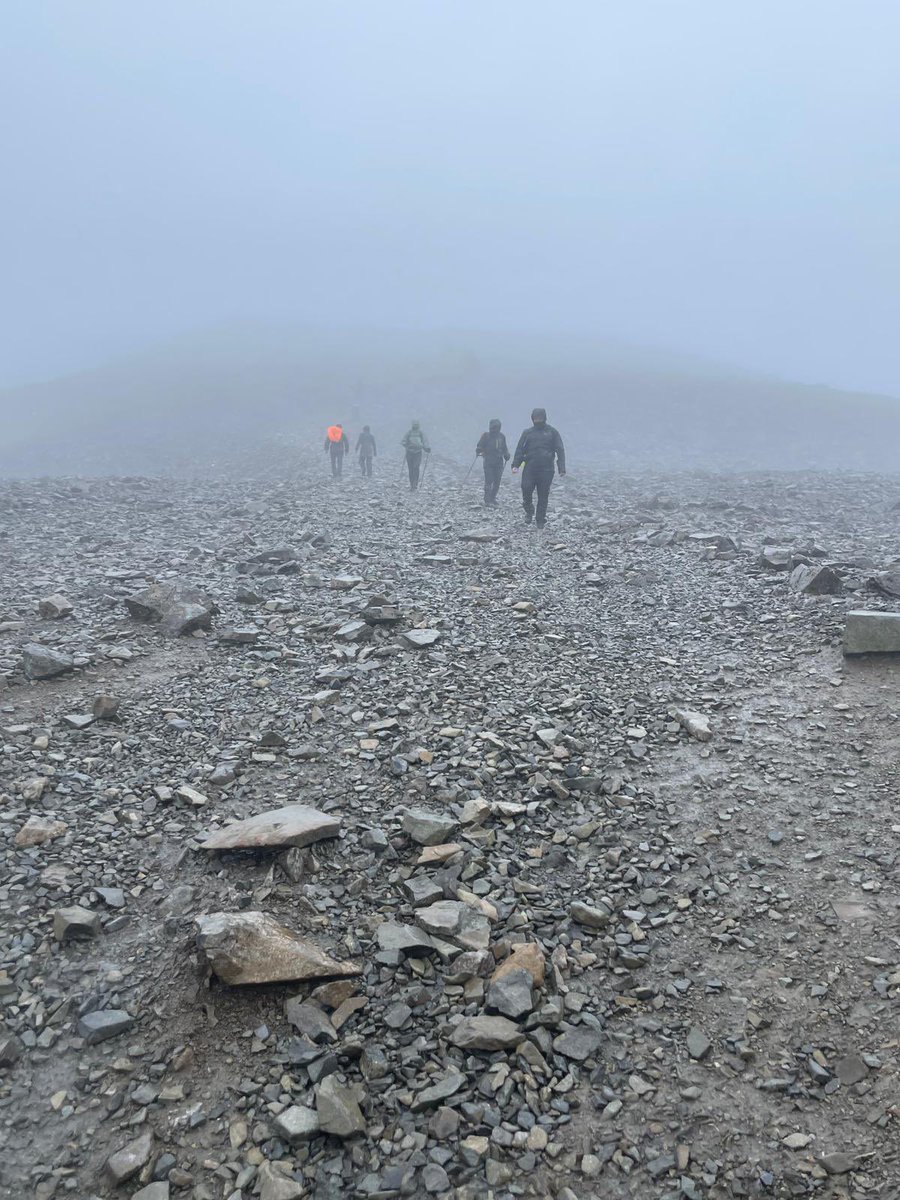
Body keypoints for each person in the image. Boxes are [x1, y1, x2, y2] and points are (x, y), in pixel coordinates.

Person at [511, 407, 565, 528]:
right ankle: (529, 511)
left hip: (546, 469)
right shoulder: (527, 433)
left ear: (544, 418)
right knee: (526, 489)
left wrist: (561, 468)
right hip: (530, 467)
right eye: (535, 418)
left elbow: (560, 450)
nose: (537, 420)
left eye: (540, 418)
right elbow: (520, 449)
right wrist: (516, 465)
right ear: (532, 418)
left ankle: (540, 519)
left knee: (543, 495)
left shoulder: (552, 432)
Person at [475, 418, 510, 506]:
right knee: (489, 480)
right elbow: (479, 445)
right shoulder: (486, 436)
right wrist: (479, 450)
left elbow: (505, 448)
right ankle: (487, 499)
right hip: (488, 461)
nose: (494, 429)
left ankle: (492, 498)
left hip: (499, 461)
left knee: (497, 481)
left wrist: (506, 454)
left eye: (496, 427)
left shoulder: (502, 436)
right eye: (493, 427)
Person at [401, 420, 431, 490]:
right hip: (410, 452)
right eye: (414, 425)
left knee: (416, 467)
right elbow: (403, 441)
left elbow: (424, 442)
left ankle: (415, 484)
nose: (415, 426)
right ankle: (412, 484)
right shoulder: (409, 433)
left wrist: (427, 448)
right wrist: (407, 446)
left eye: (416, 425)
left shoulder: (420, 433)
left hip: (418, 452)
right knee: (411, 469)